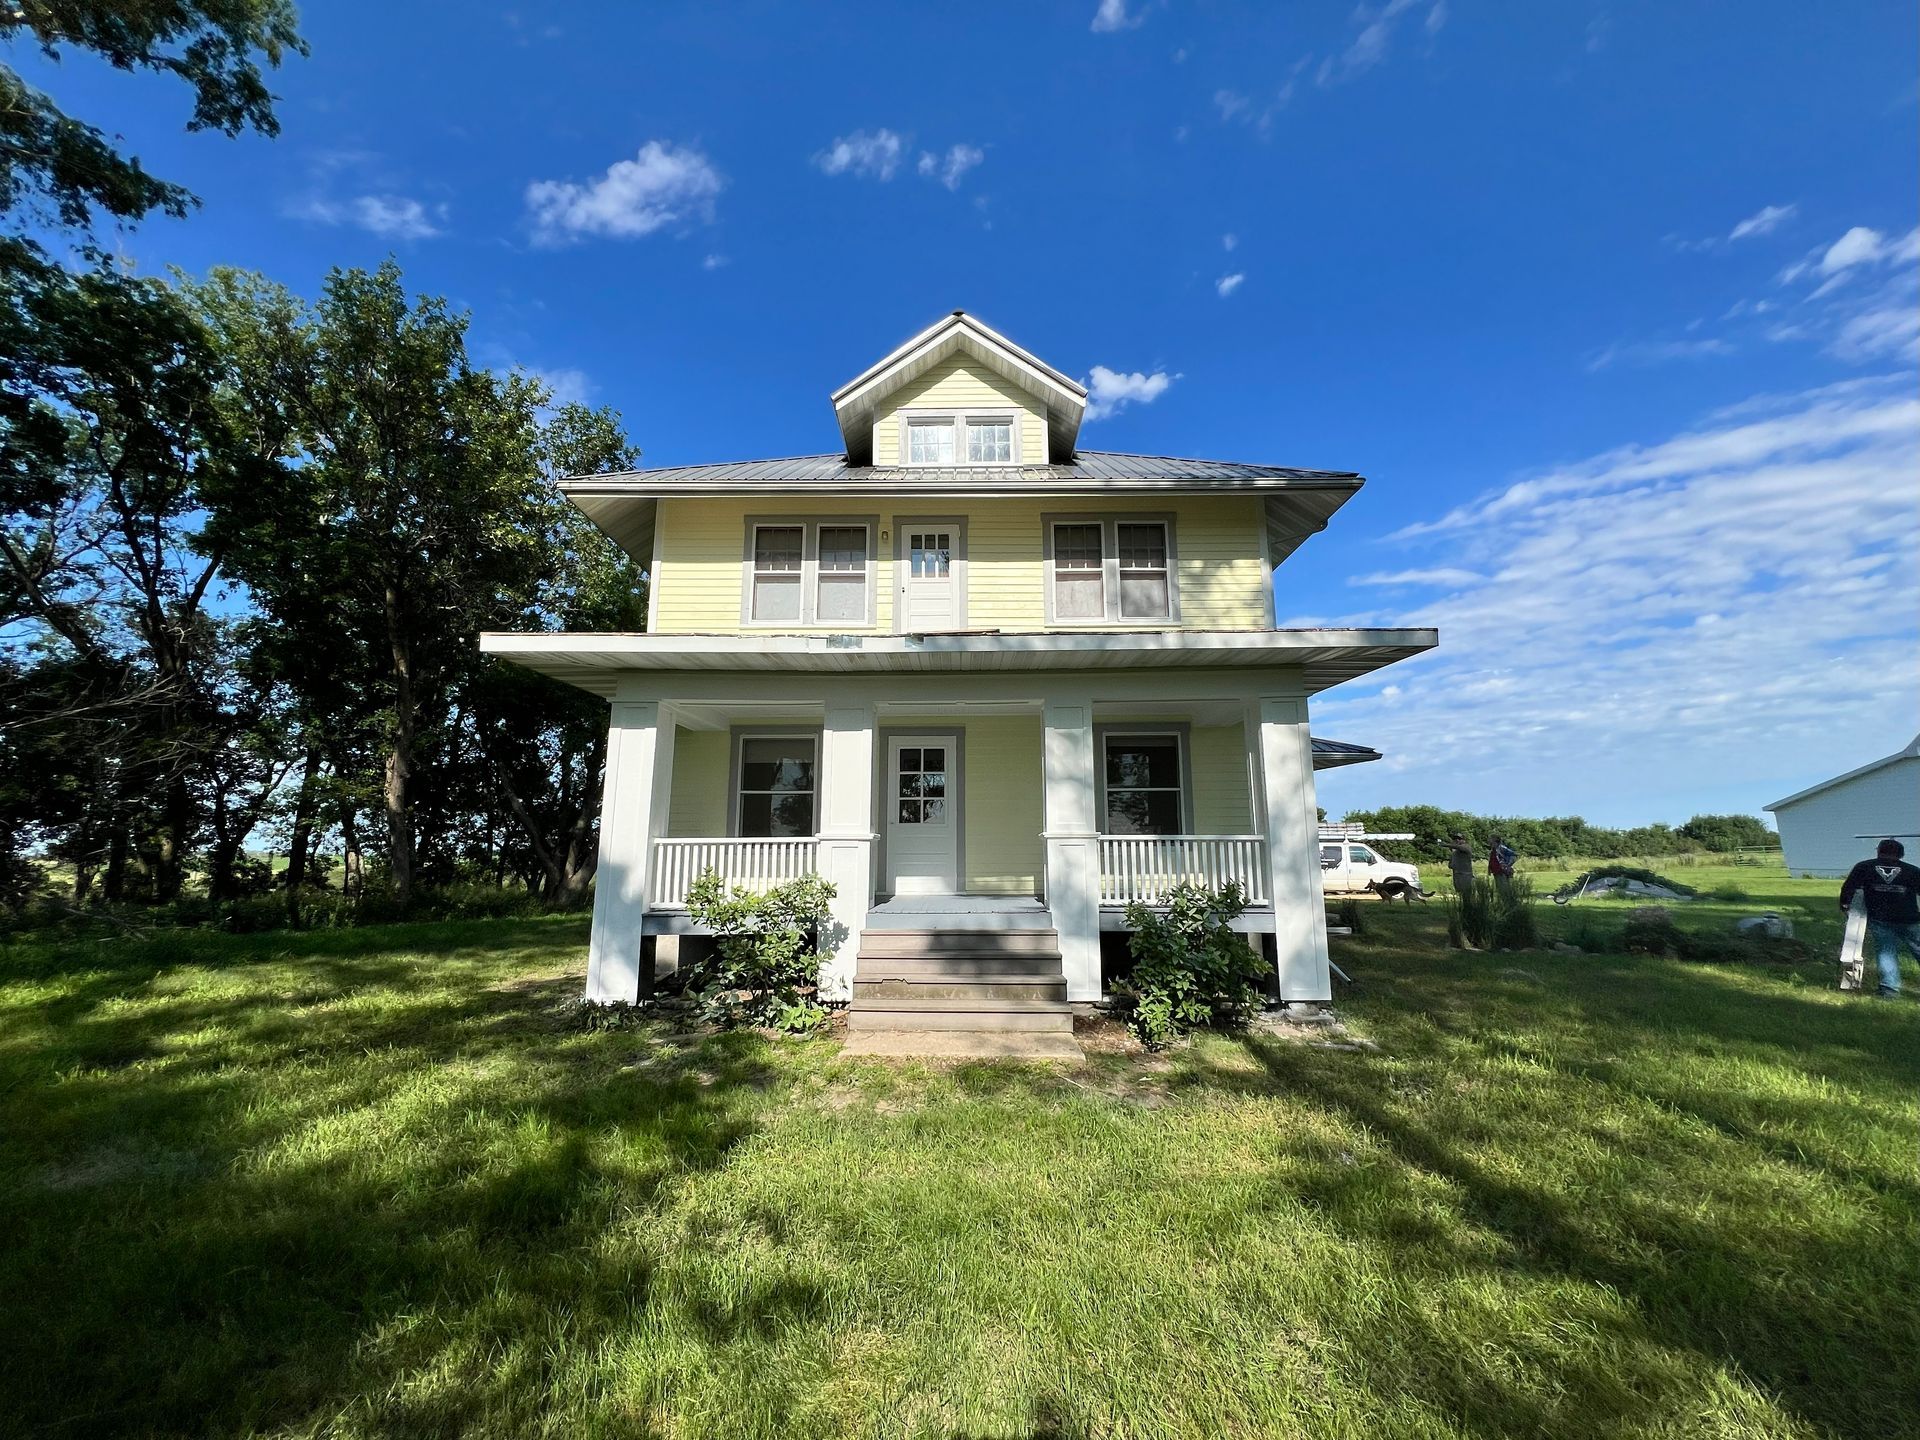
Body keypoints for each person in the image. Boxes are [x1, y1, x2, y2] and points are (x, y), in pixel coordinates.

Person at [1839, 838, 1920, 999]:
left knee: (1886, 952)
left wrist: (1845, 904)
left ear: (1879, 851)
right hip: (1909, 918)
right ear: (1901, 854)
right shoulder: (1912, 870)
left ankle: (1890, 990)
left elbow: (1848, 888)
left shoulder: (1864, 867)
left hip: (1880, 918)